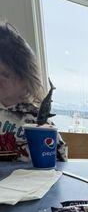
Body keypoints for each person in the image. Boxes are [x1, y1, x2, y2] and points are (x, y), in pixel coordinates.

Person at [0, 21, 67, 161]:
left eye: (5, 74)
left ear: (24, 79)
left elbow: (61, 159)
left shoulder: (39, 120)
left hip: (32, 180)